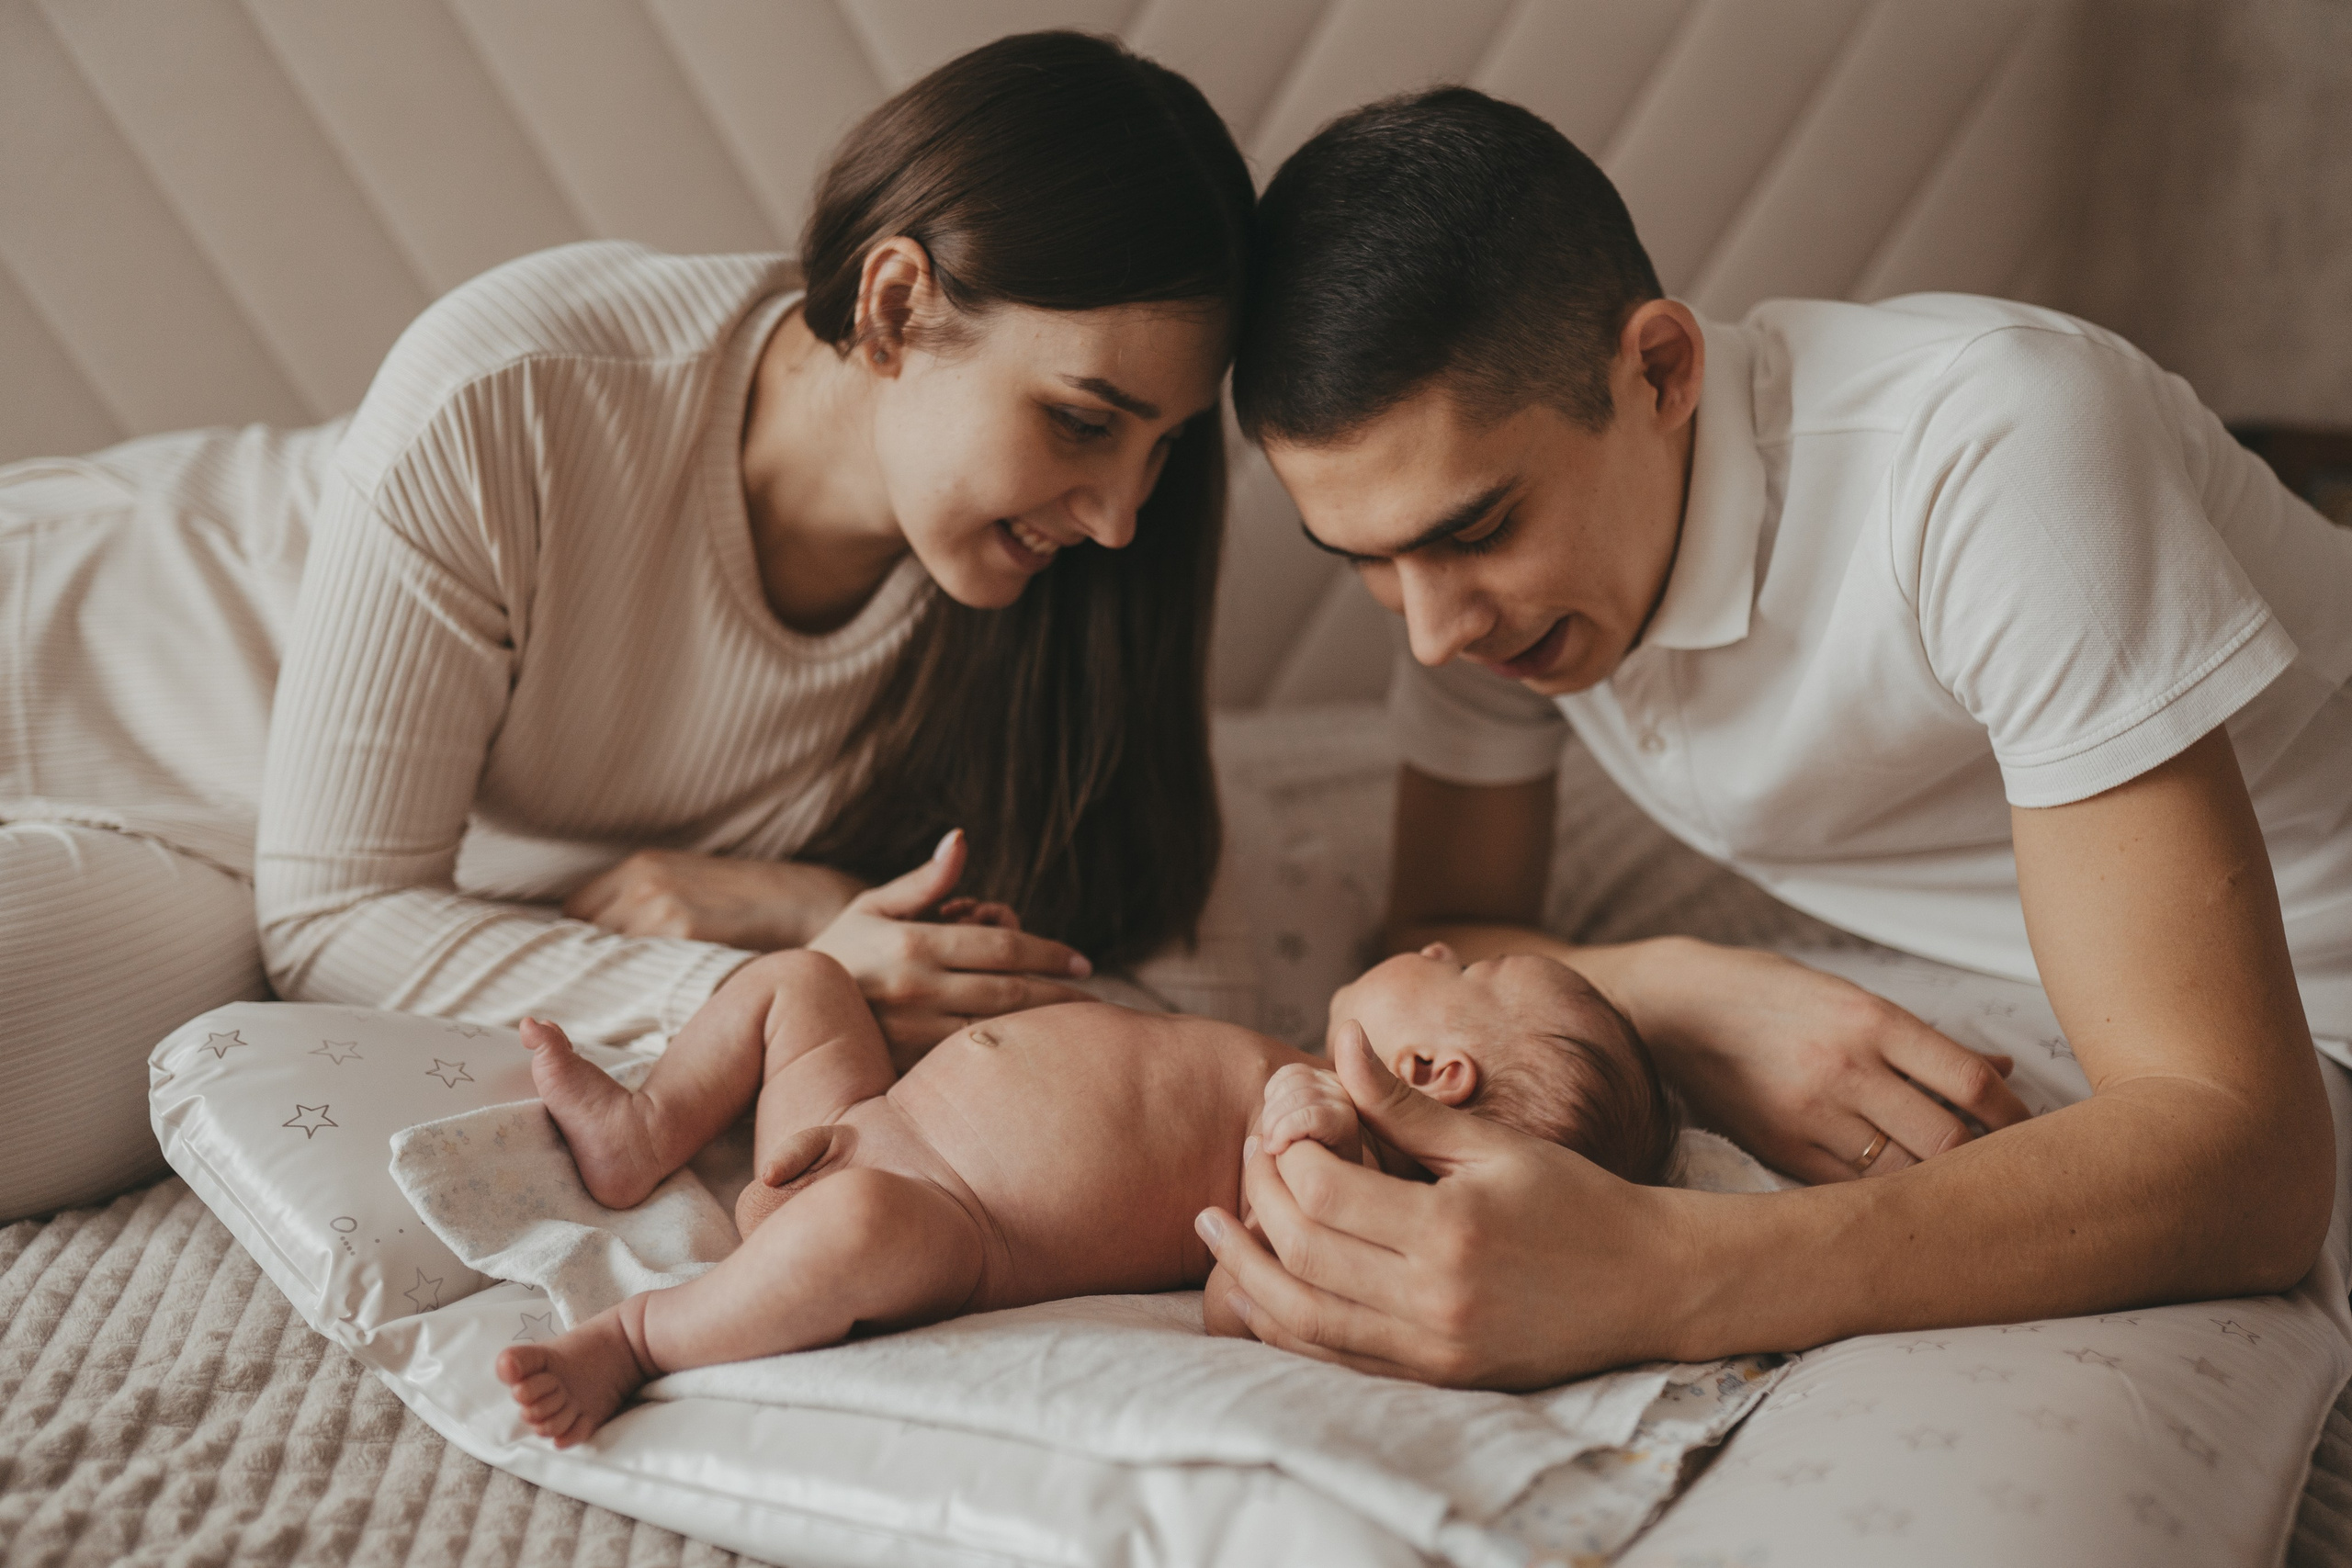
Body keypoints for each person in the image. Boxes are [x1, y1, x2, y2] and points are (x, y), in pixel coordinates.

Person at [1197, 86, 2352, 1389]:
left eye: (1477, 530)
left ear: (1660, 372)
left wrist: (1664, 1271)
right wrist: (1687, 994)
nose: (1428, 631)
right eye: (1367, 559)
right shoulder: (1478, 602)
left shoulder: (1994, 449)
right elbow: (1451, 919)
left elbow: (2253, 1159)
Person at [0, 31, 1252, 1222]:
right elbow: (337, 920)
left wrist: (792, 902)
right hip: (76, 673)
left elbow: (328, 927)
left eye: (1165, 447)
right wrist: (778, 987)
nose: (1123, 517)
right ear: (894, 305)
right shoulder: (524, 390)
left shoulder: (1032, 603)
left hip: (281, 896)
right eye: (1085, 423)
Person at [492, 923, 1674, 1446]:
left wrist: (1300, 1148)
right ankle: (642, 1131)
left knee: (857, 1224)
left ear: (1435, 1073)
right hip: (859, 1121)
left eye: (1455, 968)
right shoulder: (1279, 1059)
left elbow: (1236, 1304)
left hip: (937, 1221)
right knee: (805, 979)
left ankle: (640, 1339)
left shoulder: (1326, 1171)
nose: (1426, 948)